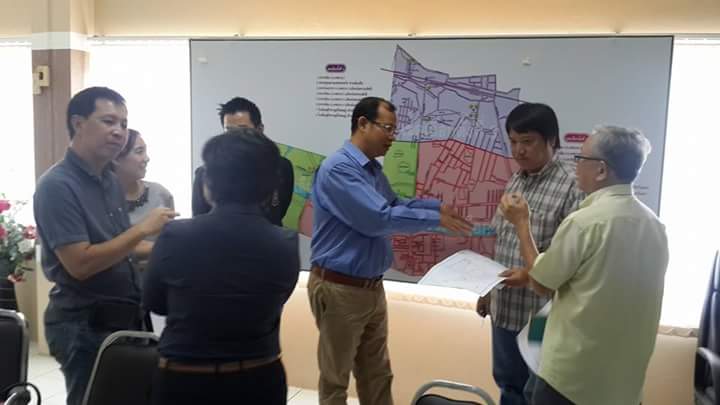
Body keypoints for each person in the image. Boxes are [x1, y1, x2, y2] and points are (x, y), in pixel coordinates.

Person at [308, 96, 473, 405]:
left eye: (394, 130)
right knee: (336, 379)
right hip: (340, 288)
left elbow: (394, 203)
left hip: (370, 288)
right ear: (362, 124)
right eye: (387, 128)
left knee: (377, 374)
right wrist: (435, 220)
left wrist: (436, 208)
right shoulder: (339, 169)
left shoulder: (370, 169)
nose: (392, 137)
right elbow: (378, 218)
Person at [499, 125, 668, 405]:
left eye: (581, 158)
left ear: (601, 170)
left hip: (572, 381)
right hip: (624, 383)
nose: (575, 165)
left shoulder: (584, 222)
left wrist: (521, 223)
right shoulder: (655, 225)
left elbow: (541, 283)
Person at [33, 87, 176, 405]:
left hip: (124, 316)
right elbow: (80, 264)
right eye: (108, 121)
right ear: (78, 123)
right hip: (84, 323)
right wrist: (143, 229)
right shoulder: (57, 186)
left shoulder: (109, 181)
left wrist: (172, 247)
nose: (119, 132)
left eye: (124, 124)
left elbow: (118, 247)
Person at [144, 128, 299, 405]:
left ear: (208, 182)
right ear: (269, 186)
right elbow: (276, 301)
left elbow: (155, 302)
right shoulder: (284, 242)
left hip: (183, 380)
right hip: (258, 379)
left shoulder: (175, 235)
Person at [476, 103, 583, 405]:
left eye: (527, 141)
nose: (518, 150)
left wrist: (530, 275)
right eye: (513, 141)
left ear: (551, 140)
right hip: (505, 307)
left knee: (538, 391)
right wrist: (487, 291)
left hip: (542, 313)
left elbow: (572, 255)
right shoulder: (516, 180)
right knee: (508, 385)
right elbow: (502, 238)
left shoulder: (572, 186)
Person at [192, 97, 294, 226]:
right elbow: (200, 220)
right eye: (229, 131)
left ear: (260, 129)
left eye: (243, 130)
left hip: (267, 236)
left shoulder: (282, 167)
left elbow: (279, 211)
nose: (235, 137)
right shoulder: (206, 172)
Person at [112, 128, 174, 234]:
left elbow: (170, 237)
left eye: (145, 151)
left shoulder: (160, 193)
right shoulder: (100, 200)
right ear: (116, 158)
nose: (147, 158)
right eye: (139, 152)